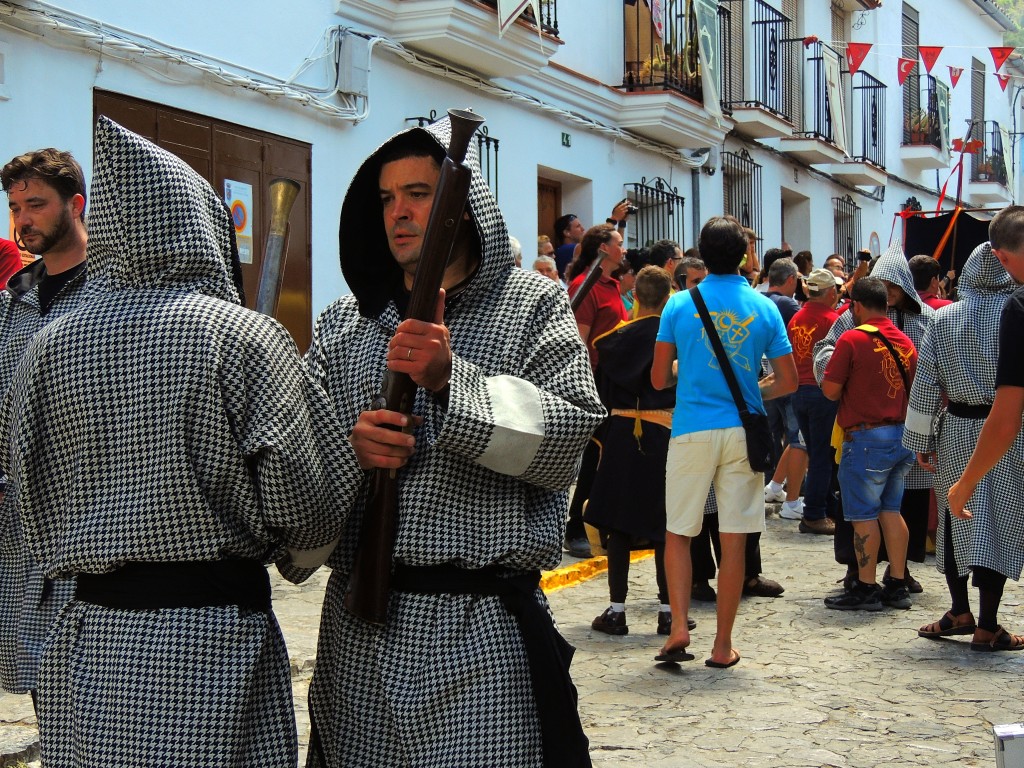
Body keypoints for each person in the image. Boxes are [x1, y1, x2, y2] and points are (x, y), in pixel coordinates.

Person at [0, 118, 361, 765]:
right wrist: (298, 555)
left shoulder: (48, 341)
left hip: (87, 643)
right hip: (213, 638)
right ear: (196, 220)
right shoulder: (244, 336)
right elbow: (305, 505)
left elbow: (26, 492)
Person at [304, 115, 604, 767]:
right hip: (359, 634)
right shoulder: (341, 326)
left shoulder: (533, 307)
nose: (399, 212)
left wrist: (450, 382)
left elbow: (570, 436)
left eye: (418, 193)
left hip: (479, 632)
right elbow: (296, 485)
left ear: (460, 206)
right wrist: (349, 452)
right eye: (386, 198)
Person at [652, 215, 797, 668]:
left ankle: (679, 625)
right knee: (734, 539)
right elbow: (788, 381)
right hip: (742, 430)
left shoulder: (678, 305)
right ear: (744, 256)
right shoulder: (766, 307)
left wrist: (685, 371)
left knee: (678, 530)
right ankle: (722, 644)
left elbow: (659, 378)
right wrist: (757, 390)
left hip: (691, 428)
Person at [0, 147, 91, 703]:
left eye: (36, 204)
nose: (23, 220)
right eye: (15, 207)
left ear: (75, 205)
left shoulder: (111, 294)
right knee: (42, 689)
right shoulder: (15, 302)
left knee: (96, 684)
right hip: (20, 529)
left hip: (91, 518)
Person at [814, 243, 935, 593]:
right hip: (889, 429)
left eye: (894, 287)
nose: (889, 293)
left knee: (892, 507)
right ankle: (860, 570)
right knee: (868, 508)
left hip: (904, 427)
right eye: (884, 286)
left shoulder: (926, 320)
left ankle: (897, 573)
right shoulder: (848, 321)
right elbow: (825, 350)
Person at [941, 208, 1024, 650]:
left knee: (960, 520)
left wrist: (919, 440)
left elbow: (924, 387)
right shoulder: (1013, 307)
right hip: (1010, 434)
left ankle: (960, 608)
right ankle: (987, 622)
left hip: (956, 429)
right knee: (1002, 524)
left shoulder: (945, 318)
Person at [586, 266, 680, 637]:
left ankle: (617, 610)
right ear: (669, 296)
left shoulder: (613, 340)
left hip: (623, 432)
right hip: (666, 433)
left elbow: (601, 397)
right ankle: (668, 611)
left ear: (636, 296)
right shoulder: (675, 341)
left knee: (620, 523)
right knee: (664, 525)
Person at [820, 277, 917, 612]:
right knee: (891, 511)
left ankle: (865, 586)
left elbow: (830, 390)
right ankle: (897, 582)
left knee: (863, 516)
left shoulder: (851, 339)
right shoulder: (905, 341)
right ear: (886, 305)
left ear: (856, 306)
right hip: (901, 434)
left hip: (865, 437)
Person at [564, 224, 630, 558]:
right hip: (595, 382)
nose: (624, 249)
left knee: (609, 456)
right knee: (593, 455)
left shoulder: (612, 285)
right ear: (603, 249)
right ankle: (574, 525)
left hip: (614, 382)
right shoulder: (584, 286)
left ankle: (597, 520)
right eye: (619, 243)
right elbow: (580, 342)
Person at [786, 269, 843, 535]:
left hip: (799, 392)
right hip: (821, 392)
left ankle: (823, 506)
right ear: (831, 292)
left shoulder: (797, 318)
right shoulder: (834, 320)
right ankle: (814, 513)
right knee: (822, 455)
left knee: (816, 452)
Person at [761, 258, 808, 522]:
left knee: (783, 436)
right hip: (788, 380)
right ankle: (790, 498)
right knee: (798, 439)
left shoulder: (759, 299)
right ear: (790, 280)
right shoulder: (789, 305)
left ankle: (775, 486)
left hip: (768, 379)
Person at [554, 201, 631, 280]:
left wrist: (622, 223)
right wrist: (613, 219)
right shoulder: (564, 250)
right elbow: (595, 242)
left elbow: (614, 242)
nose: (583, 229)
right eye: (578, 226)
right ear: (567, 233)